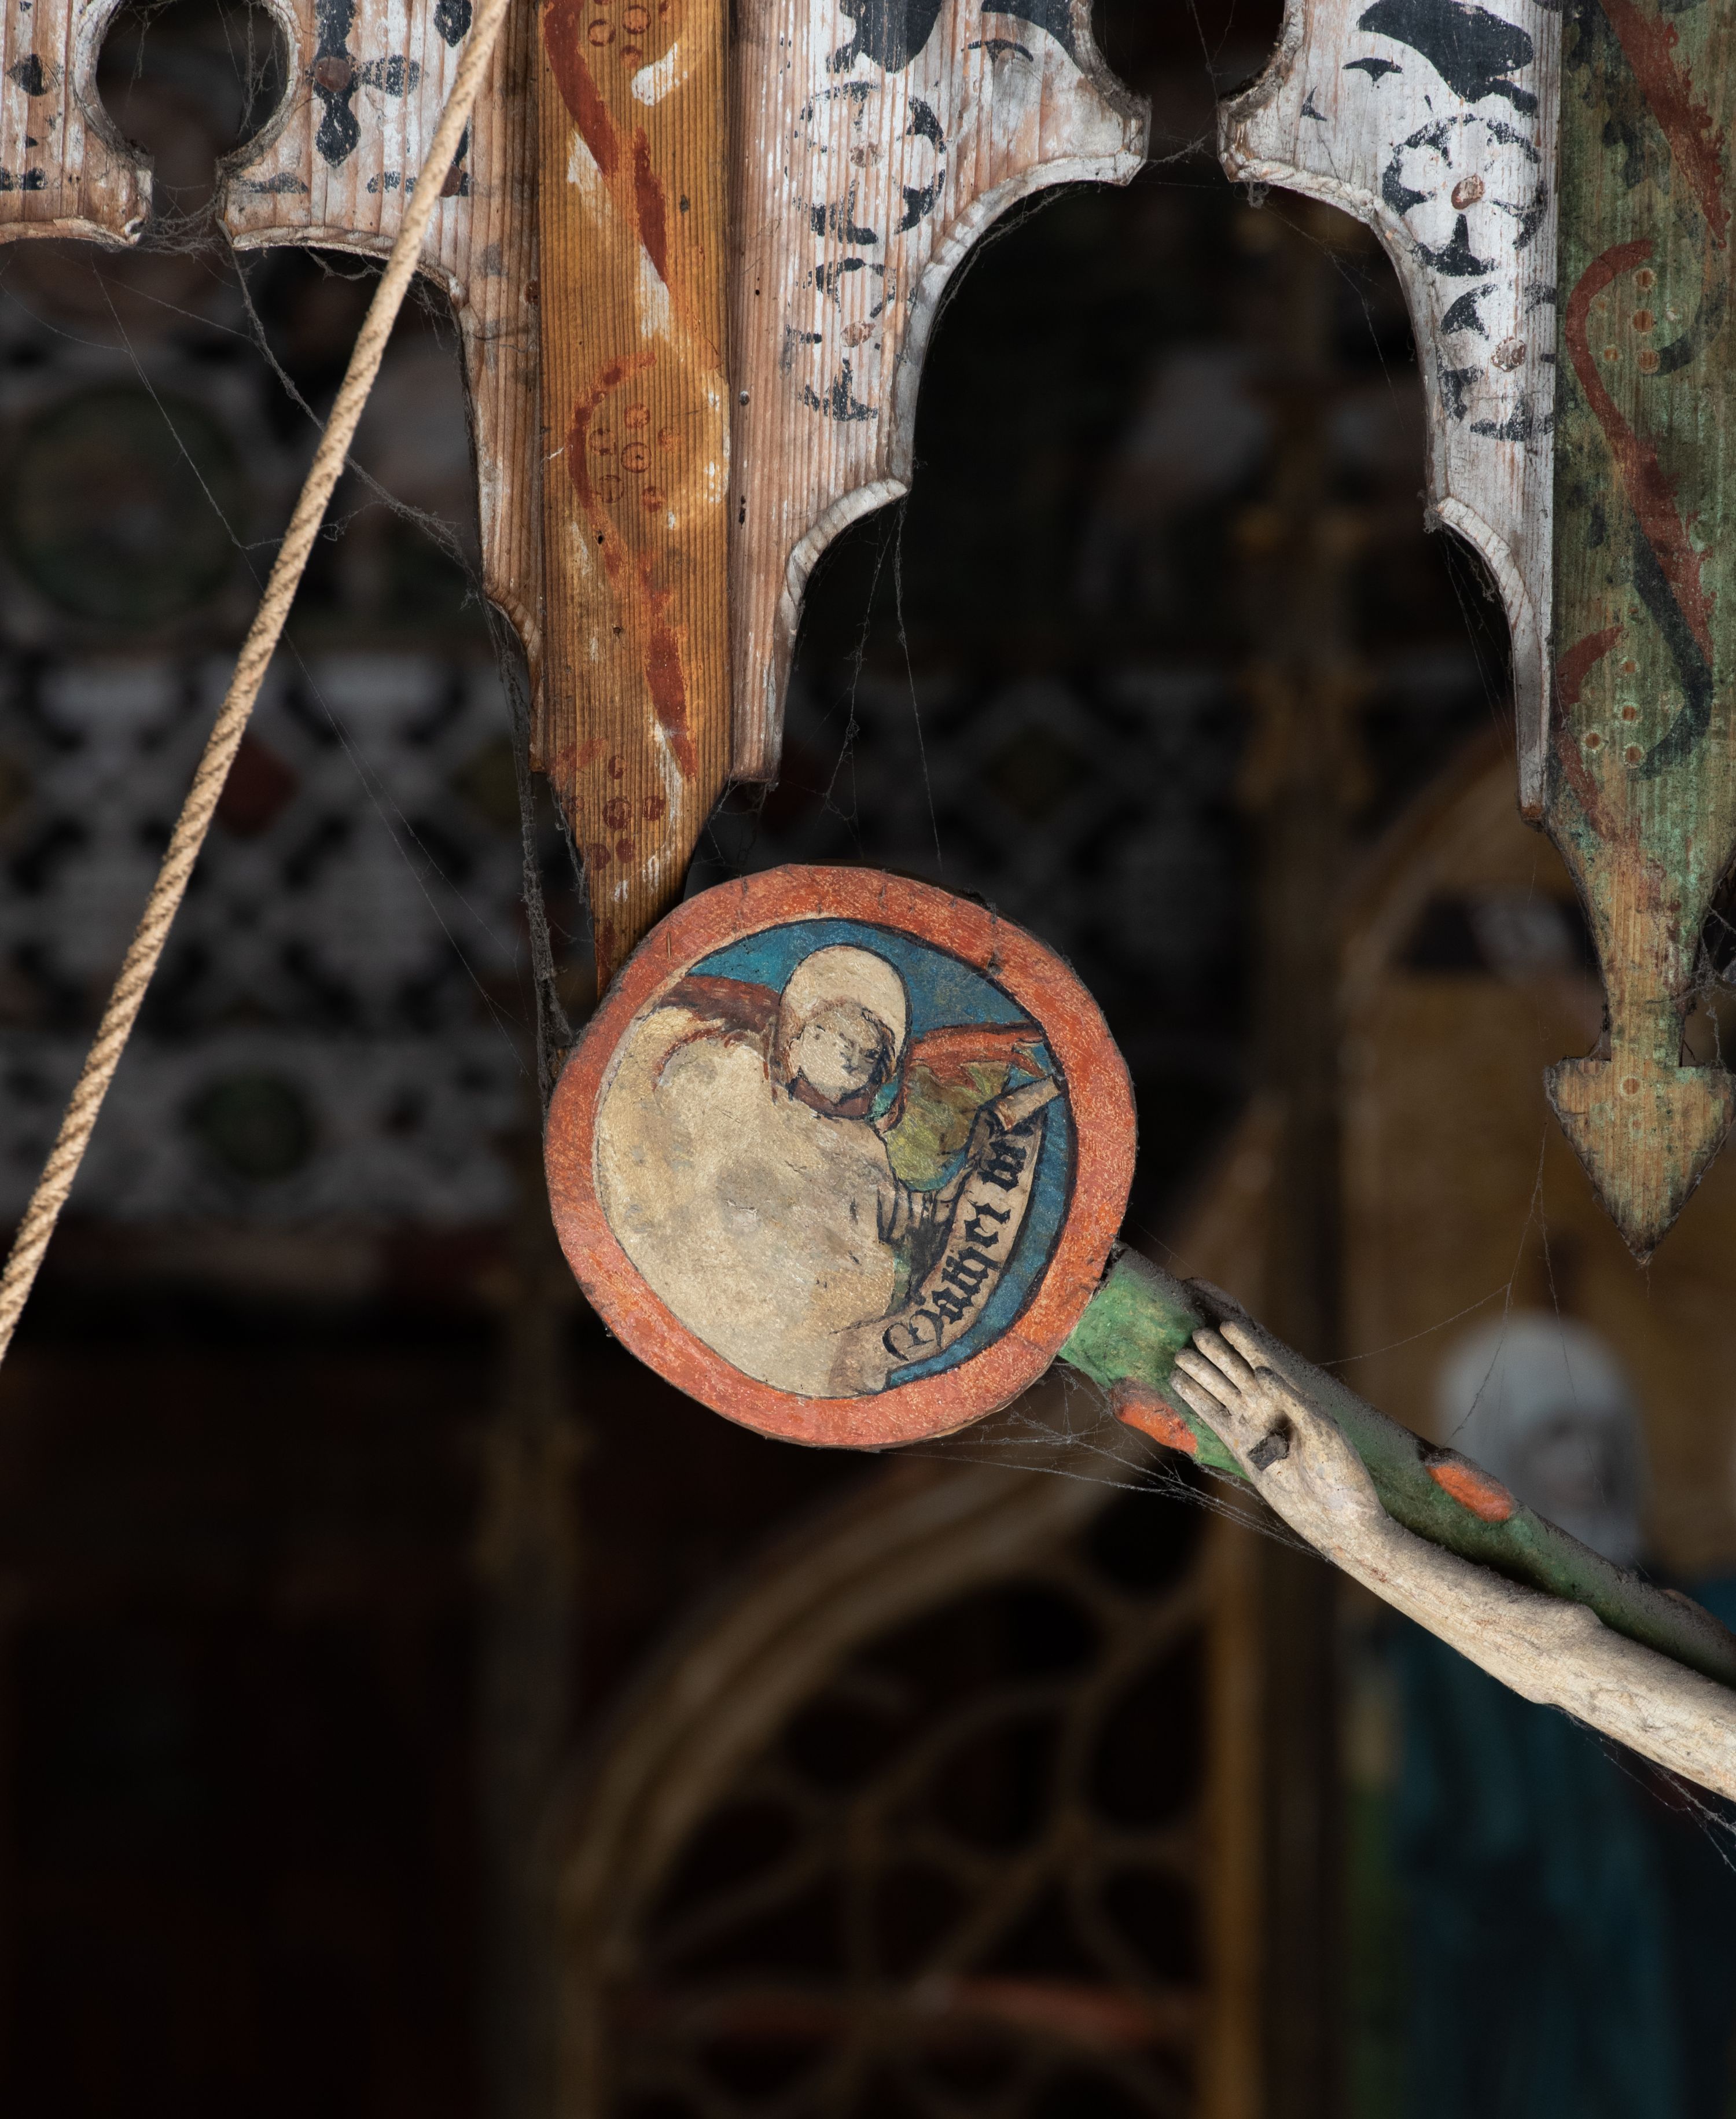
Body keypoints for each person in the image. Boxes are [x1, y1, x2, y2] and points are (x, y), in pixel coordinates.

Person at [595, 944, 954, 1397]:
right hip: (736, 1286)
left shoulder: (866, 1146)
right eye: (834, 1039)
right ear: (797, 1046)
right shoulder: (750, 1097)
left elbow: (887, 1212)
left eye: (867, 1054)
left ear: (877, 1075)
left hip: (822, 1312)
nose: (849, 1058)